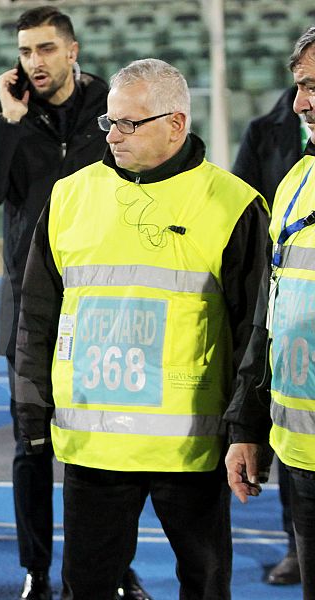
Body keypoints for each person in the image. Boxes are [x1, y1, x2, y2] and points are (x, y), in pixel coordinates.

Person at [15, 58, 268, 599]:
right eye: (109, 122)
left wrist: (245, 428)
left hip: (192, 449)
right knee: (86, 588)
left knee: (205, 586)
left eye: (129, 123)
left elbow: (253, 332)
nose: (113, 135)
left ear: (176, 124)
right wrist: (31, 408)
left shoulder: (233, 205)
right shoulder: (69, 196)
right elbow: (37, 314)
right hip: (93, 448)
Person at [0, 8, 152, 599]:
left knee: (109, 448)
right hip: (29, 308)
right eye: (25, 51)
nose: (34, 62)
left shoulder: (110, 112)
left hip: (105, 304)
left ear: (73, 51)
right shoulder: (5, 117)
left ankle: (115, 570)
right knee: (31, 449)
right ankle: (37, 574)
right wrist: (10, 122)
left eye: (45, 49)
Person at [224, 26, 315, 599]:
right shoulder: (295, 182)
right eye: (300, 86)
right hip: (302, 456)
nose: (300, 103)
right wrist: (248, 427)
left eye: (314, 87)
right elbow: (268, 317)